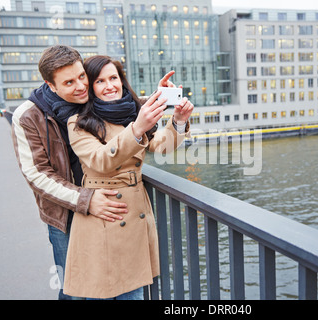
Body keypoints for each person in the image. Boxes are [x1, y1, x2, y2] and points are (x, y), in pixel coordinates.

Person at [10, 45, 177, 300]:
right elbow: (37, 174)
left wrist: (161, 96)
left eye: (82, 77)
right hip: (65, 212)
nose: (80, 86)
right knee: (75, 290)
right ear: (51, 85)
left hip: (111, 204)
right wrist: (85, 199)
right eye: (69, 82)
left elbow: (120, 104)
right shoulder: (28, 116)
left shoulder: (88, 96)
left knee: (122, 286)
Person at [63, 55, 193, 299]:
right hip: (102, 213)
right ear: (90, 87)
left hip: (133, 212)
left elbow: (161, 147)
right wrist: (137, 128)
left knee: (132, 293)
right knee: (99, 291)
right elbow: (100, 160)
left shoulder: (133, 112)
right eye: (100, 81)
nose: (110, 85)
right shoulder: (79, 122)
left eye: (114, 78)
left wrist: (179, 121)